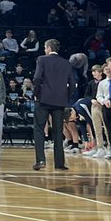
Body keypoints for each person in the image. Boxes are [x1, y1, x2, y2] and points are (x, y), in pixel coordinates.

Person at [32, 39, 74, 171]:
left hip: (43, 99)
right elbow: (72, 83)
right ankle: (59, 163)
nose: (44, 50)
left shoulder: (42, 59)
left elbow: (37, 78)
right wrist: (66, 97)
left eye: (45, 47)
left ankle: (41, 160)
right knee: (58, 131)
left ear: (49, 48)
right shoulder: (66, 62)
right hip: (60, 101)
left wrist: (35, 93)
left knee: (39, 129)